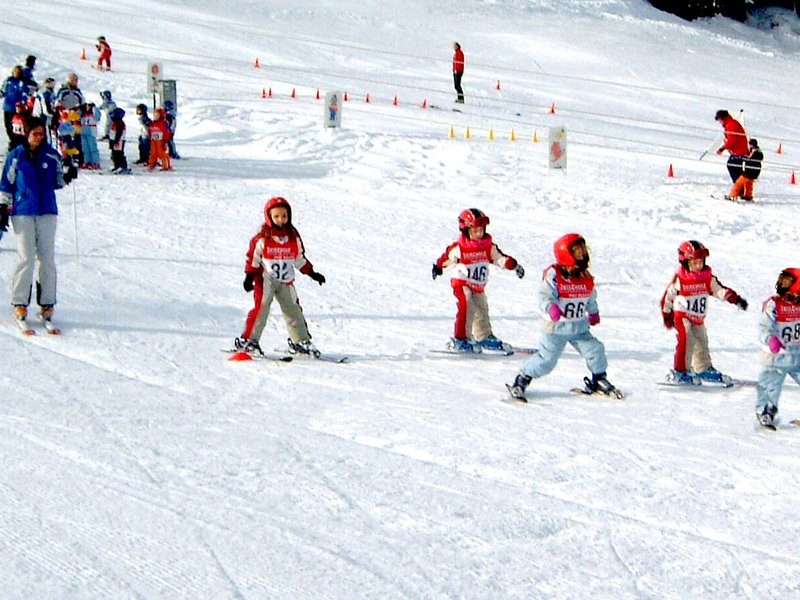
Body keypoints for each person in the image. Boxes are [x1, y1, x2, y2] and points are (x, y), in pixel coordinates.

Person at [506, 234, 619, 400]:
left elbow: (590, 296)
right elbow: (544, 295)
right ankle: (523, 378)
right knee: (546, 360)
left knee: (595, 349)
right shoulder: (555, 275)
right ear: (566, 255)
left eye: (584, 252)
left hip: (579, 327)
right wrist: (551, 307)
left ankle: (599, 378)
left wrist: (593, 312)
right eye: (578, 252)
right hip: (556, 329)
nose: (583, 256)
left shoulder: (584, 276)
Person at [0, 117, 77, 332]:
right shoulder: (16, 155)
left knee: (47, 258)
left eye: (42, 133)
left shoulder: (51, 155)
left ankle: (47, 305)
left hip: (46, 210)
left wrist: (68, 176)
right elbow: (6, 182)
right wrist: (3, 206)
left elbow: (57, 181)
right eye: (35, 133)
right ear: (26, 134)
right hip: (23, 210)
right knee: (26, 257)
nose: (39, 137)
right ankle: (20, 303)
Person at [234, 196, 326, 356]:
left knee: (293, 309)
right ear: (269, 217)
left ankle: (300, 341)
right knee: (262, 307)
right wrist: (249, 277)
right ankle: (249, 340)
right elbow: (253, 258)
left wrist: (313, 274)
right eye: (276, 216)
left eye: (284, 216)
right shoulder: (263, 238)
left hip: (286, 280)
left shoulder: (293, 238)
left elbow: (299, 259)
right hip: (266, 279)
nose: (281, 220)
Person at [433, 208, 524, 353]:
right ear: (466, 231)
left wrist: (513, 265)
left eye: (481, 230)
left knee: (482, 308)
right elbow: (447, 258)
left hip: (478, 285)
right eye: (475, 231)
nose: (479, 234)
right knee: (467, 306)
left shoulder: (488, 247)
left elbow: (499, 258)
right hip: (462, 281)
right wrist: (438, 267)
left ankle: (484, 336)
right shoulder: (460, 248)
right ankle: (461, 339)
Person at [661, 240, 748, 385]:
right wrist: (667, 313)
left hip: (698, 317)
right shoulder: (681, 280)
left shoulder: (707, 278)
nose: (698, 266)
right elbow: (669, 296)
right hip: (682, 315)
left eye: (700, 262)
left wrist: (735, 299)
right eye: (694, 263)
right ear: (686, 263)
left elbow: (719, 290)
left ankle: (703, 368)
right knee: (686, 339)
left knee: (701, 341)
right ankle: (680, 371)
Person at [755, 269, 800, 429]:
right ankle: (765, 412)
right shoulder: (774, 304)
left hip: (796, 355)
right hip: (776, 357)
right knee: (771, 385)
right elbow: (764, 326)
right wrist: (770, 339)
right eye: (783, 282)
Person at [715, 109, 749, 183]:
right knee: (735, 168)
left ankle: (740, 186)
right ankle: (741, 186)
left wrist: (722, 148)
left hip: (739, 151)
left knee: (733, 166)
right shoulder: (730, 124)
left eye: (720, 120)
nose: (720, 122)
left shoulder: (731, 125)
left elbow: (732, 140)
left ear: (723, 118)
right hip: (738, 151)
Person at [728, 138, 763, 202]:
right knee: (749, 183)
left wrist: (743, 158)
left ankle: (732, 195)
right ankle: (748, 196)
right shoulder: (757, 151)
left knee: (738, 183)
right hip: (755, 172)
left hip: (750, 171)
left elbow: (749, 159)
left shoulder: (755, 152)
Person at [2, 66, 28, 149]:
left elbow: (24, 94)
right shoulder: (9, 80)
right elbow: (3, 91)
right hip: (7, 107)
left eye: (18, 72)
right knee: (8, 126)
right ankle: (13, 142)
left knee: (16, 127)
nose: (17, 73)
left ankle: (16, 144)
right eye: (15, 71)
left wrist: (22, 104)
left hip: (17, 109)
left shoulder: (22, 82)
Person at [108, 107, 130, 174]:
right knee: (115, 153)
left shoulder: (119, 123)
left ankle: (119, 166)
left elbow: (119, 133)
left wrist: (116, 141)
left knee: (117, 154)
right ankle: (120, 166)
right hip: (115, 140)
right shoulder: (116, 123)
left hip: (118, 141)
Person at [80, 104, 100, 169]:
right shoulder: (83, 115)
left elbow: (98, 116)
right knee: (85, 148)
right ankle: (87, 161)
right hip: (83, 131)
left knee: (92, 148)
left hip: (91, 132)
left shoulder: (93, 115)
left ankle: (95, 162)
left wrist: (95, 108)